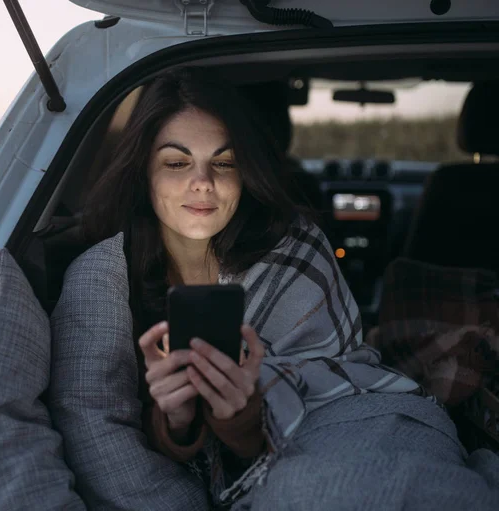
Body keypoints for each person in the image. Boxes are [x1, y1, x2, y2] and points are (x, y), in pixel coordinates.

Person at [52, 67, 499, 510]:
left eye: (223, 162)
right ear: (143, 172)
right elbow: (123, 430)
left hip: (364, 420)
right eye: (176, 162)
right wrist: (180, 419)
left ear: (244, 173)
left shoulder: (293, 244)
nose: (202, 180)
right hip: (267, 472)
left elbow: (341, 378)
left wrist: (241, 412)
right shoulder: (110, 282)